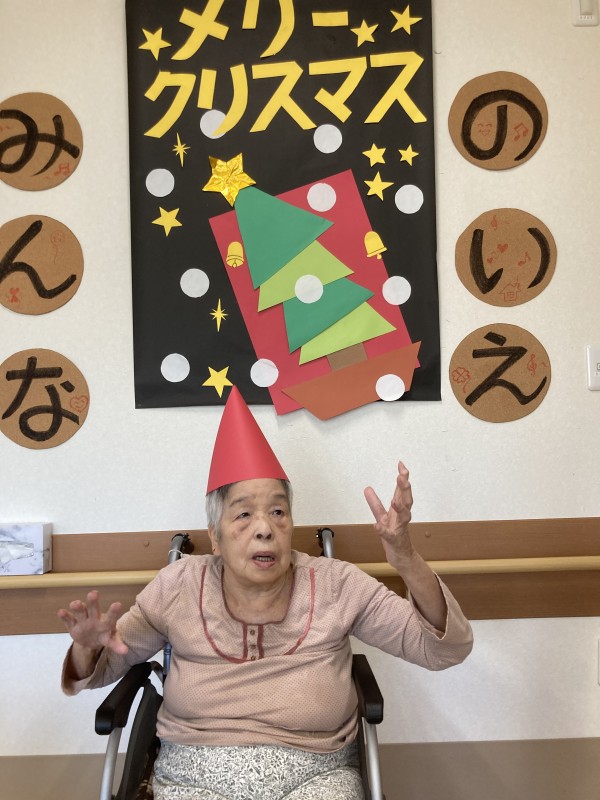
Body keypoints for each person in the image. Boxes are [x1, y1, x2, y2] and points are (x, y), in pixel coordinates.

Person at [59, 386, 473, 800]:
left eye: (278, 511)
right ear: (215, 536)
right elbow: (102, 669)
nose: (265, 529)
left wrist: (405, 557)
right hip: (191, 779)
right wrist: (87, 649)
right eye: (244, 514)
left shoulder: (337, 585)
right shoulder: (178, 586)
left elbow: (442, 650)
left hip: (317, 779)